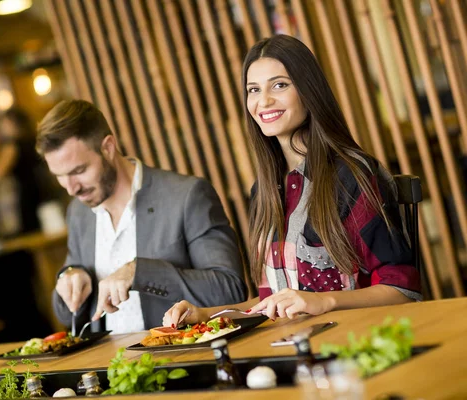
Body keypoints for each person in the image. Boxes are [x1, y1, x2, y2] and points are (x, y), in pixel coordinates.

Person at [163, 34, 421, 327]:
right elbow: (270, 303)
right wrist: (206, 314)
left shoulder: (351, 175)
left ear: (308, 90)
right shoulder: (264, 190)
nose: (264, 100)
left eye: (280, 85)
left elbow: (402, 290)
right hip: (293, 348)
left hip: (358, 346)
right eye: (253, 89)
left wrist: (325, 301)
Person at [36, 99, 247, 333]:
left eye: (79, 171)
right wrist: (71, 278)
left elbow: (230, 289)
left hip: (181, 361)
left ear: (108, 148)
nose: (71, 188)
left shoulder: (187, 196)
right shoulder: (78, 212)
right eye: (60, 176)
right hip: (107, 366)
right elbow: (66, 314)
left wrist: (139, 272)